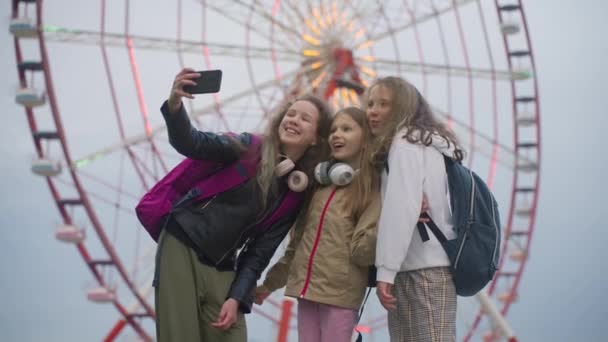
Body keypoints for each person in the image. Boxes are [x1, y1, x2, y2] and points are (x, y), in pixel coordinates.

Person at [153, 68, 332, 342]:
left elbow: (259, 254)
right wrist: (176, 105)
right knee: (180, 334)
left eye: (305, 119)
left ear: (316, 138)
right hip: (183, 241)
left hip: (224, 263)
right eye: (291, 114)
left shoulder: (294, 194)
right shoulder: (248, 146)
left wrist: (237, 297)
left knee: (232, 335)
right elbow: (192, 142)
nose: (293, 120)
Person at [255, 107, 381, 342]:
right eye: (333, 130)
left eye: (346, 129)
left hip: (340, 296)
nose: (336, 134)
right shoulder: (319, 187)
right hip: (307, 292)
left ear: (366, 139)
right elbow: (298, 246)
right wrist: (269, 285)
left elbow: (365, 251)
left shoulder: (370, 190)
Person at [365, 76, 464, 342]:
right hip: (414, 267)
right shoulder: (421, 144)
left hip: (423, 270)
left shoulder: (406, 144)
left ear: (403, 108)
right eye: (371, 103)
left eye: (383, 104)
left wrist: (385, 270)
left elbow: (401, 208)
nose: (372, 110)